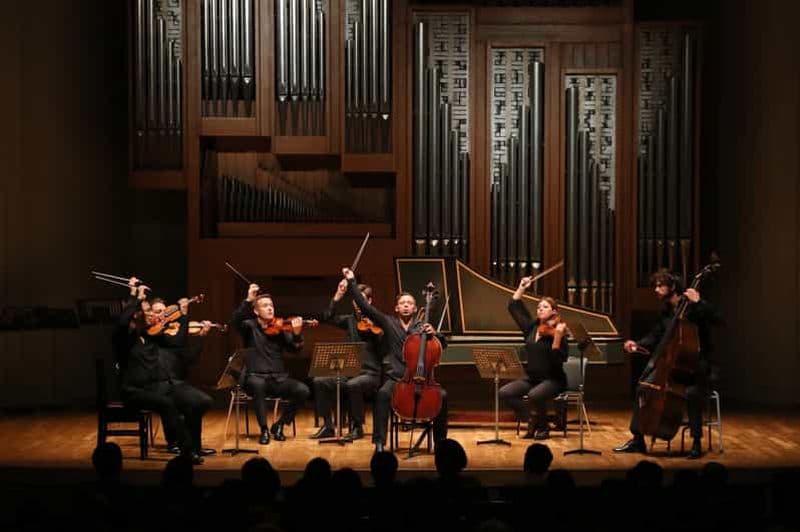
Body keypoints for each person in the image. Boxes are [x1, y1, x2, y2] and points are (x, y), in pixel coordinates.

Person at [614, 269, 720, 459]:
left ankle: (696, 442)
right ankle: (638, 440)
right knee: (642, 388)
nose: (656, 289)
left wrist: (700, 302)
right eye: (655, 285)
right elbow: (656, 336)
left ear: (672, 286)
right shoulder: (665, 312)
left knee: (691, 394)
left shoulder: (693, 308)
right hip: (674, 367)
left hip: (696, 367)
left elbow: (717, 319)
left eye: (660, 285)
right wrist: (637, 344)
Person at [343, 267, 449, 453]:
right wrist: (352, 282)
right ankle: (379, 443)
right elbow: (366, 307)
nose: (406, 305)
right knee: (382, 395)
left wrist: (437, 335)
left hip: (422, 379)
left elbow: (442, 344)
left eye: (410, 303)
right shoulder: (387, 322)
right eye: (403, 303)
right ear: (396, 308)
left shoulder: (422, 328)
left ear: (416, 308)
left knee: (443, 396)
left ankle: (441, 443)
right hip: (396, 380)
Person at [117, 278, 205, 464]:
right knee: (166, 404)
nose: (153, 315)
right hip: (135, 392)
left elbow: (178, 342)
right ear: (136, 314)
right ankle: (187, 449)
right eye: (148, 311)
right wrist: (135, 295)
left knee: (200, 401)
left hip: (157, 388)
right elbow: (123, 320)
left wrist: (182, 315)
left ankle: (195, 447)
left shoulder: (152, 337)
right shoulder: (125, 340)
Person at [231, 283, 311, 444]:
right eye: (265, 306)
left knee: (303, 390)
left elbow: (295, 351)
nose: (270, 308)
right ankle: (264, 430)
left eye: (271, 305)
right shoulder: (249, 327)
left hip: (277, 379)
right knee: (258, 385)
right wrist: (248, 299)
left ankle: (280, 424)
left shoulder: (280, 328)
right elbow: (235, 320)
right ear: (256, 311)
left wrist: (296, 335)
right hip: (254, 377)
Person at [311, 279, 383, 441]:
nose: (358, 304)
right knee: (320, 381)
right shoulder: (350, 320)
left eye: (362, 300)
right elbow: (327, 317)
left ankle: (357, 427)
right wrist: (338, 295)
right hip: (350, 371)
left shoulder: (379, 321)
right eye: (356, 300)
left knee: (353, 385)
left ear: (369, 301)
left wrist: (376, 329)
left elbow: (385, 344)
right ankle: (328, 426)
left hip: (370, 374)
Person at [499, 276, 568, 440]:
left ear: (554, 312)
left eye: (545, 307)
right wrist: (522, 287)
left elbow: (559, 360)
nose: (540, 309)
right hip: (532, 378)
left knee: (534, 396)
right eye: (538, 307)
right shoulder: (531, 327)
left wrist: (557, 338)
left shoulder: (559, 332)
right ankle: (532, 419)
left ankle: (543, 429)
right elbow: (514, 307)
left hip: (553, 380)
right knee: (504, 393)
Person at [148, 297, 215, 456]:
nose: (163, 316)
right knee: (177, 402)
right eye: (158, 312)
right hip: (157, 384)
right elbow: (175, 342)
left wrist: (200, 337)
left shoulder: (171, 336)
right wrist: (184, 315)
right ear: (149, 315)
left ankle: (192, 446)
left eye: (165, 312)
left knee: (200, 403)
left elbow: (189, 358)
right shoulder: (152, 333)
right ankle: (178, 444)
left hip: (175, 383)